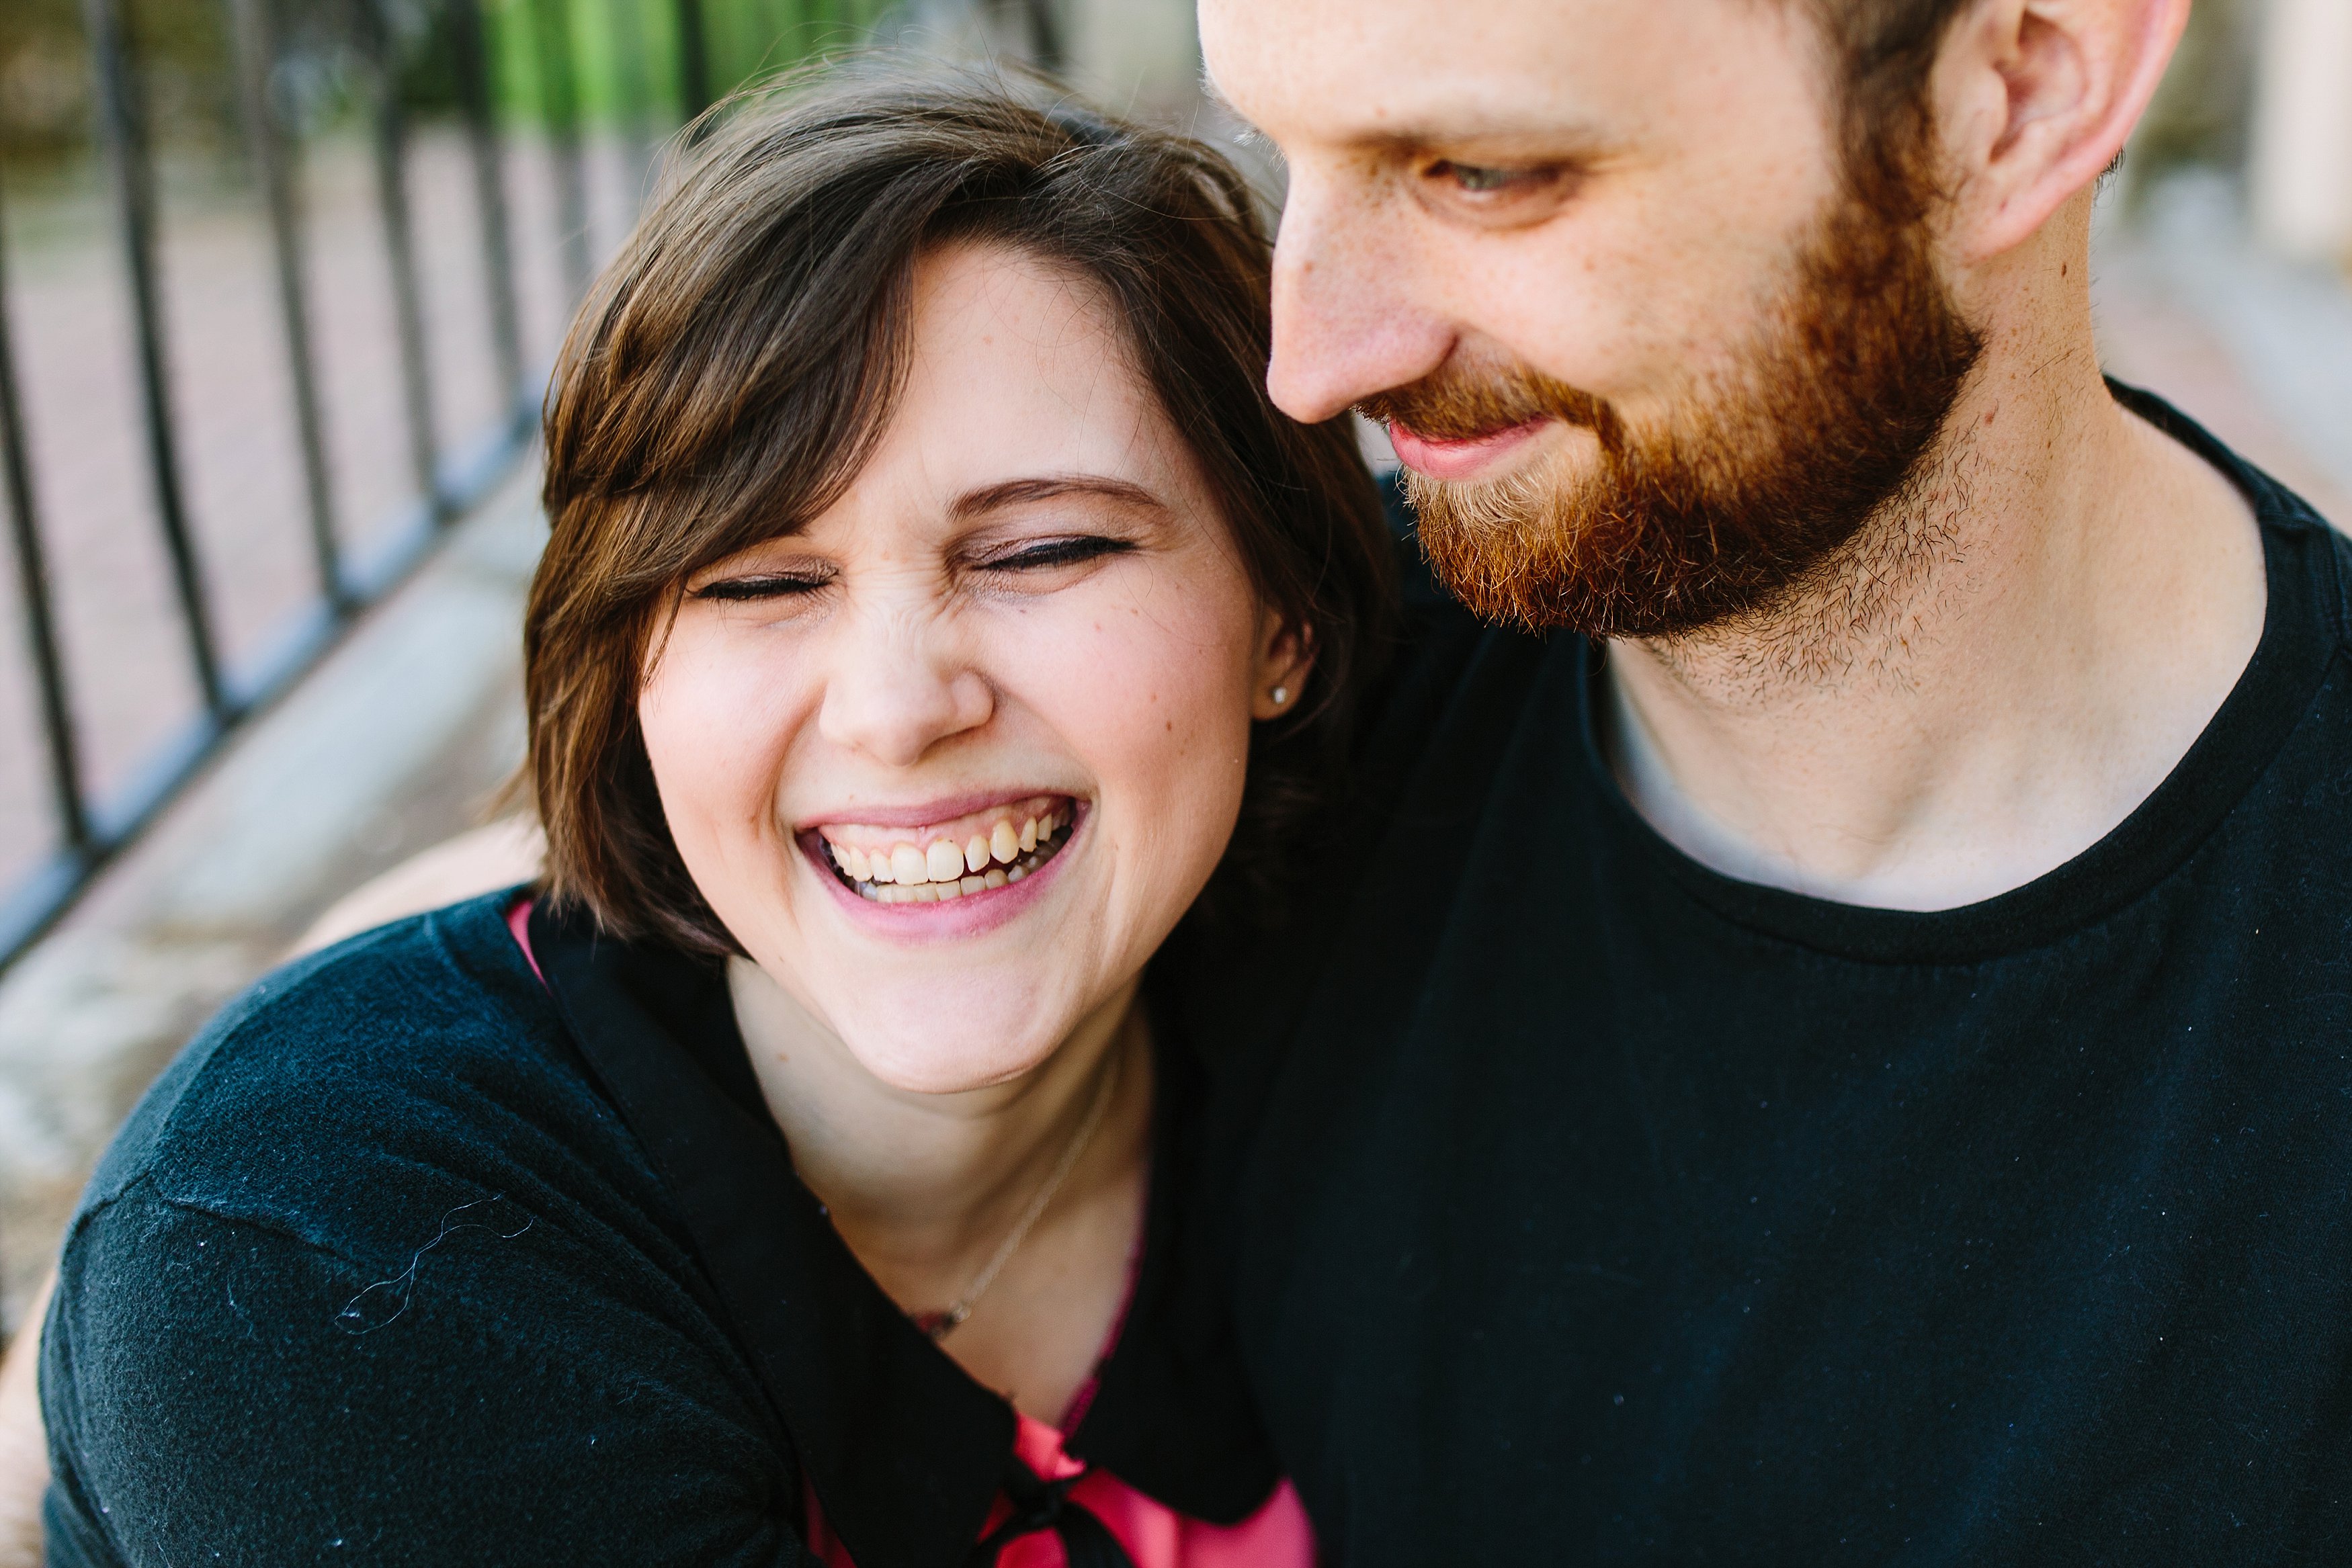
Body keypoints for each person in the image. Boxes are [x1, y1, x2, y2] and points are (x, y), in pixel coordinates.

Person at [30, 73, 1392, 1566]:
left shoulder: (1408, 972)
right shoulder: (328, 1255)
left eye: (1042, 548)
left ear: (1286, 623)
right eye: (758, 581)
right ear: (628, 674)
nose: (893, 708)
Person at [1179, 0, 2352, 1557]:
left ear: (2019, 90)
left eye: (1480, 168)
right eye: (1276, 155)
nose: (1310, 361)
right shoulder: (1257, 750)